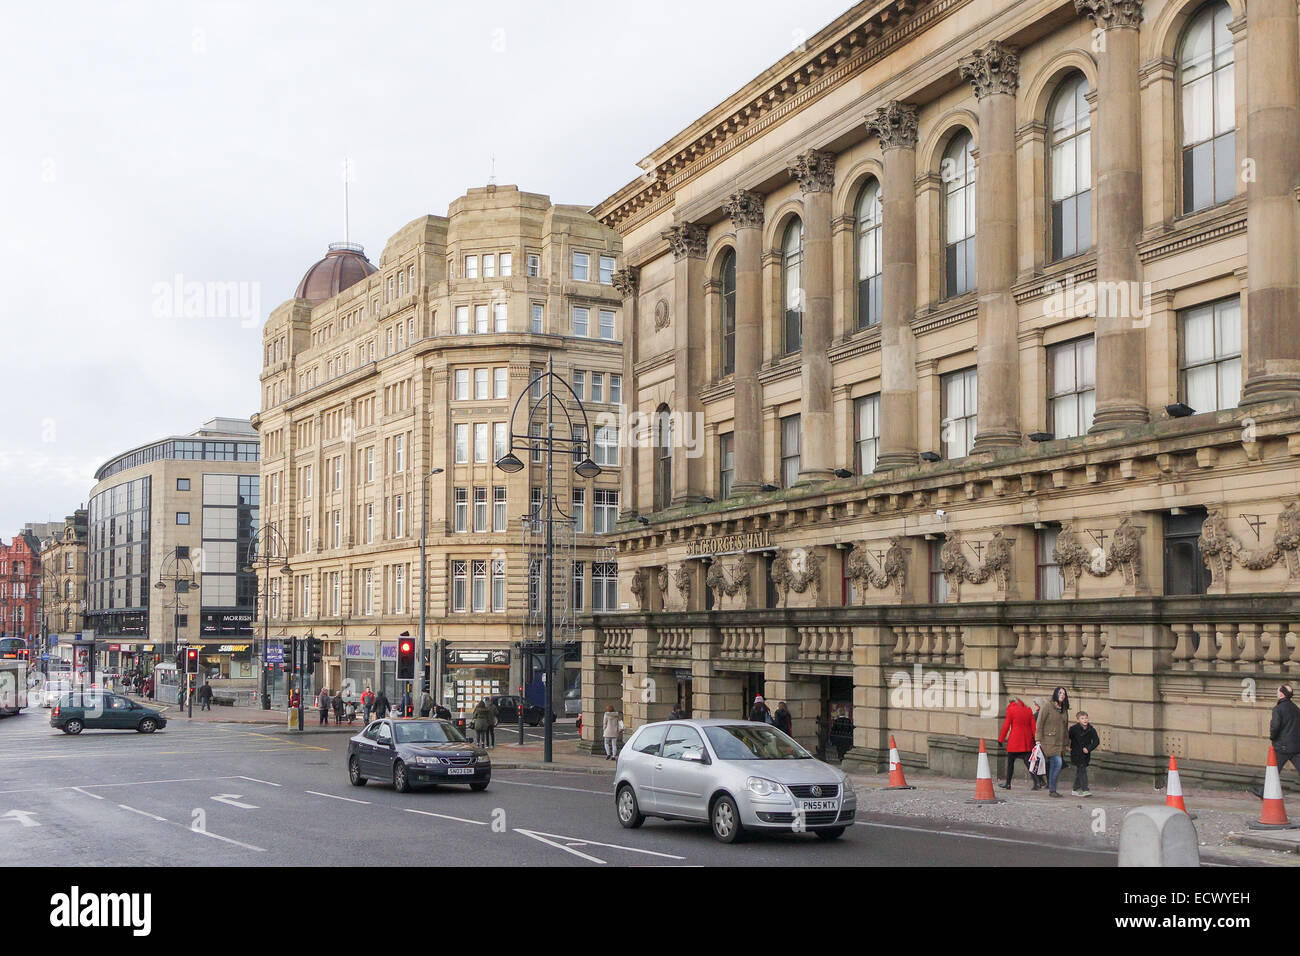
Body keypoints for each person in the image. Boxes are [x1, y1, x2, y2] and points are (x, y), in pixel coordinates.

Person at [1250, 684, 1300, 798]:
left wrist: (1273, 737)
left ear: (1282, 694)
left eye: (1277, 691)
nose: (1276, 693)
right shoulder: (1296, 708)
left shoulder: (1278, 709)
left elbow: (1275, 726)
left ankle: (1263, 793)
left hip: (1282, 746)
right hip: (1296, 746)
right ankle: (1263, 793)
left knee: (1273, 771)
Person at [1035, 686, 1071, 797]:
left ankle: (1051, 788)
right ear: (1055, 694)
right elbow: (1040, 723)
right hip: (1049, 741)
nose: (1062, 695)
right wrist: (1038, 739)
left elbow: (1065, 728)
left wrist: (1067, 743)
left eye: (1064, 693)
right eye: (1060, 693)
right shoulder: (1047, 706)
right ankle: (1052, 789)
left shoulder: (1064, 709)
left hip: (1060, 743)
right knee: (1058, 763)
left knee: (1055, 765)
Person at [998, 697, 1038, 790]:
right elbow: (1033, 726)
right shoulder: (1028, 710)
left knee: (1010, 763)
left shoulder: (1011, 709)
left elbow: (1006, 725)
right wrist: (1036, 740)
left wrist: (1001, 739)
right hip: (1027, 740)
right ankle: (1037, 781)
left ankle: (1008, 783)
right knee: (1028, 762)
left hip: (1015, 740)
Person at [1068, 711, 1101, 797]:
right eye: (1082, 718)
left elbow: (1096, 741)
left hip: (1086, 753)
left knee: (1080, 770)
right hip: (1076, 752)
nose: (1085, 720)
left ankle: (1075, 789)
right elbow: (1067, 738)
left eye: (1086, 718)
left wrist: (1089, 748)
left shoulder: (1091, 729)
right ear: (1078, 720)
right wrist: (1067, 746)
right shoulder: (1073, 729)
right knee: (1082, 769)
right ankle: (1085, 789)